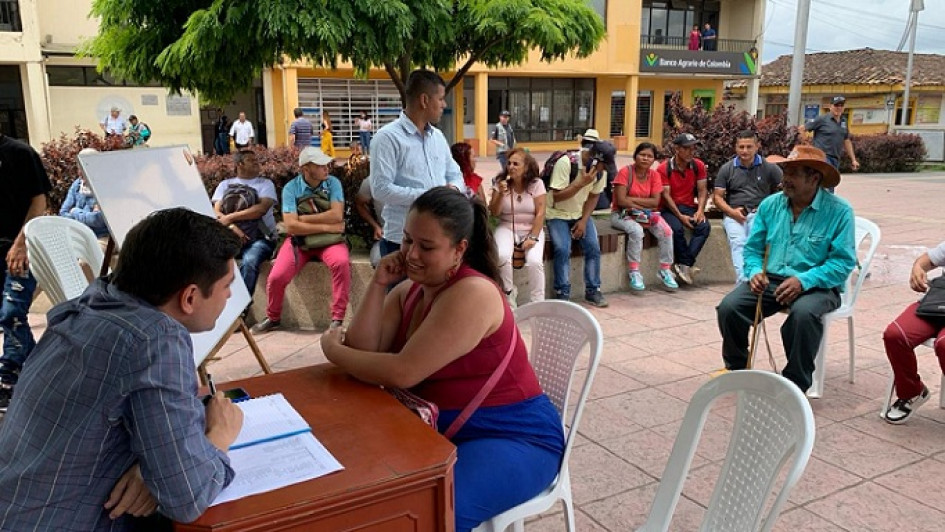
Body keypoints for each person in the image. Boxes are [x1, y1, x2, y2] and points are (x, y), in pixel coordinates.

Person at [320, 187, 564, 532]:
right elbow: (364, 350)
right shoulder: (409, 289)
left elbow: (401, 372)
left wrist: (332, 350)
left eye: (427, 246)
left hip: (513, 437)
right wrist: (378, 284)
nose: (412, 254)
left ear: (459, 249)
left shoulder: (473, 293)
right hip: (442, 429)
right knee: (367, 488)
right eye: (407, 241)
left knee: (436, 512)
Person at [0, 208, 245, 530]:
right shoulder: (155, 338)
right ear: (189, 297)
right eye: (227, 285)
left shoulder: (92, 302)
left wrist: (150, 467)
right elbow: (187, 496)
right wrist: (218, 437)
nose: (230, 295)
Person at [717, 145, 856, 393]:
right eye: (785, 172)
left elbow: (842, 263)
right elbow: (752, 249)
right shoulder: (771, 205)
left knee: (803, 315)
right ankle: (737, 369)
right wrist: (754, 271)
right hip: (772, 279)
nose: (785, 180)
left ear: (814, 178)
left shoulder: (839, 212)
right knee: (729, 308)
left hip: (818, 284)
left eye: (793, 173)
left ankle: (795, 385)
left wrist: (803, 280)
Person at [253, 147, 350, 333]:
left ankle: (337, 319)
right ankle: (273, 317)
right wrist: (327, 226)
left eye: (326, 164)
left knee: (341, 263)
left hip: (330, 241)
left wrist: (302, 219)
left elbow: (337, 215)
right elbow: (291, 226)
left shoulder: (333, 183)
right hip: (300, 242)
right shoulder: (291, 188)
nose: (326, 168)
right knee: (276, 276)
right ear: (306, 168)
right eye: (320, 165)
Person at [370, 69, 465, 257]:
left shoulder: (437, 137)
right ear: (424, 100)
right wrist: (430, 197)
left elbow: (455, 173)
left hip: (437, 238)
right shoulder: (387, 138)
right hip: (401, 242)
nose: (444, 105)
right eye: (441, 99)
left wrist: (452, 190)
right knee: (401, 288)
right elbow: (380, 189)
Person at [0, 133, 51, 411]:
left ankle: (12, 377)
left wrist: (22, 243)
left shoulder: (20, 153)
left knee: (12, 313)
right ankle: (33, 372)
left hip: (20, 249)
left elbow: (39, 202)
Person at [881, 242, 945, 424]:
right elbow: (927, 259)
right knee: (895, 335)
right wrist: (917, 268)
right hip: (936, 303)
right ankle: (912, 392)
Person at [545, 132, 609, 308]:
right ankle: (562, 292)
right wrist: (580, 183)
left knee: (593, 248)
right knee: (562, 248)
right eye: (603, 165)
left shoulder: (600, 171)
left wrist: (583, 221)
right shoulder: (566, 163)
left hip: (580, 214)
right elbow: (557, 197)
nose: (604, 170)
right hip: (557, 213)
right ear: (594, 159)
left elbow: (594, 197)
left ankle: (593, 290)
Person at [713, 130, 783, 284]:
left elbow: (785, 192)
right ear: (736, 148)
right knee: (738, 242)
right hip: (734, 214)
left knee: (756, 243)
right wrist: (732, 212)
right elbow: (717, 197)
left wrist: (766, 208)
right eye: (741, 147)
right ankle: (744, 281)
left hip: (760, 214)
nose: (745, 151)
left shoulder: (769, 168)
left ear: (757, 146)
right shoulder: (727, 168)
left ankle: (756, 278)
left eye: (749, 147)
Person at [610, 142, 678, 292]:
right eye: (642, 155)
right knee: (637, 231)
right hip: (622, 214)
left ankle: (665, 269)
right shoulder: (625, 172)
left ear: (654, 160)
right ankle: (634, 271)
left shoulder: (654, 176)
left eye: (649, 156)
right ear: (635, 156)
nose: (645, 158)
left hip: (646, 214)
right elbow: (620, 201)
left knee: (667, 231)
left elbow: (655, 202)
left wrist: (632, 201)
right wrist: (641, 206)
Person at [211, 149, 278, 297]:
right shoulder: (225, 185)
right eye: (251, 160)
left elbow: (260, 209)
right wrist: (231, 226)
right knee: (210, 262)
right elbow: (216, 212)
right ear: (239, 164)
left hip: (260, 239)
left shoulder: (265, 184)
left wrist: (230, 218)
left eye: (256, 159)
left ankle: (241, 310)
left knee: (250, 261)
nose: (256, 162)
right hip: (229, 238)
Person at [489, 148, 547, 305]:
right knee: (501, 256)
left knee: (535, 261)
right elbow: (494, 212)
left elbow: (541, 213)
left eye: (516, 164)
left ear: (526, 167)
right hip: (507, 226)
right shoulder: (500, 183)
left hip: (531, 227)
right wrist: (500, 193)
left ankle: (538, 301)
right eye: (509, 163)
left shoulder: (536, 184)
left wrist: (533, 236)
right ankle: (508, 295)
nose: (511, 167)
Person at [658, 132, 711, 285]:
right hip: (668, 208)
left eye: (693, 148)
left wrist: (700, 211)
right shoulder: (664, 168)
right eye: (687, 148)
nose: (690, 152)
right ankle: (686, 266)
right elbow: (666, 197)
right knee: (676, 229)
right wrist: (680, 216)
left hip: (689, 206)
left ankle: (684, 264)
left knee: (704, 227)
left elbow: (702, 190)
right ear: (677, 149)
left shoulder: (698, 165)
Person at [798, 95, 860, 179]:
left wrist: (853, 159)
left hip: (835, 158)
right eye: (836, 105)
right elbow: (801, 129)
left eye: (841, 105)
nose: (839, 108)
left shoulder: (843, 121)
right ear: (830, 106)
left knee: (830, 184)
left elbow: (846, 140)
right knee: (824, 182)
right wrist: (807, 145)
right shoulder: (822, 119)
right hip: (823, 157)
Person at [59, 167, 109, 238]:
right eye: (79, 167)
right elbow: (63, 212)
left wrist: (74, 211)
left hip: (98, 237)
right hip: (77, 233)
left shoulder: (104, 188)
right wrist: (85, 218)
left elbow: (97, 220)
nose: (80, 172)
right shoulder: (77, 184)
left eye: (83, 168)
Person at [355, 176, 386, 268]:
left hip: (417, 237)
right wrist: (376, 226)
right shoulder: (372, 180)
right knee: (377, 259)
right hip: (388, 236)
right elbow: (360, 203)